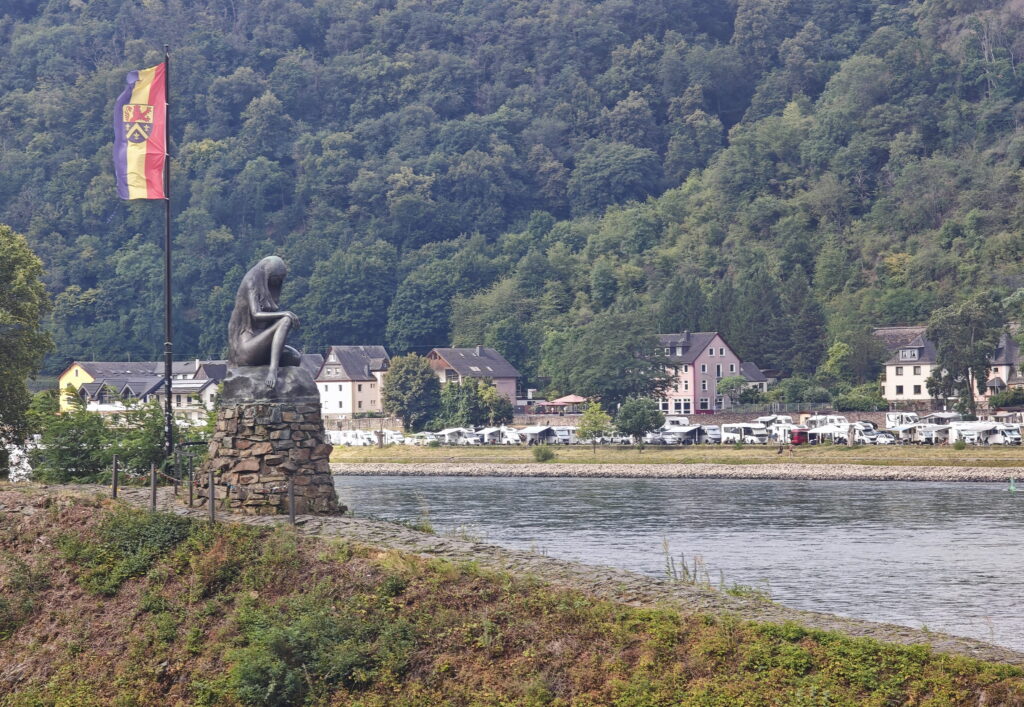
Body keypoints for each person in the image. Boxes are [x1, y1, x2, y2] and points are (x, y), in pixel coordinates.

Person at [227, 256, 302, 389]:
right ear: (267, 274)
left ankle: (272, 365)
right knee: (286, 320)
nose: (277, 283)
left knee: (295, 358)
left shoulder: (267, 287)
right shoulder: (252, 281)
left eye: (280, 280)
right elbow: (256, 314)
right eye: (275, 279)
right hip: (247, 349)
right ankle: (272, 371)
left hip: (261, 347)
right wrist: (285, 313)